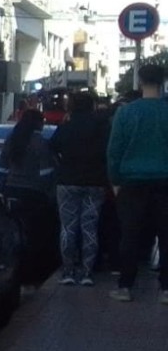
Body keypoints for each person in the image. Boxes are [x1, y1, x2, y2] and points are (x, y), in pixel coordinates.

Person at [106, 64, 168, 303]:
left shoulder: (126, 113)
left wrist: (116, 181)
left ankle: (125, 286)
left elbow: (114, 150)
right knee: (166, 236)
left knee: (129, 236)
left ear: (140, 82)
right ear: (162, 82)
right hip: (164, 182)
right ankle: (165, 289)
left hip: (131, 183)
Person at [50, 91, 109, 286]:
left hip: (67, 181)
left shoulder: (66, 126)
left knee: (68, 227)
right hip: (95, 182)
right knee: (90, 227)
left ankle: (68, 271)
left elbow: (52, 147)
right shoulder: (101, 126)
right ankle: (87, 272)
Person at [0, 109, 59, 290]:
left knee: (16, 236)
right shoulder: (40, 143)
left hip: (13, 193)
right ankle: (32, 276)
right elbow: (47, 173)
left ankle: (16, 272)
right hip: (34, 196)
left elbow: (2, 169)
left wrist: (5, 189)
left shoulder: (12, 140)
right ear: (39, 124)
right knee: (36, 238)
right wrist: (49, 196)